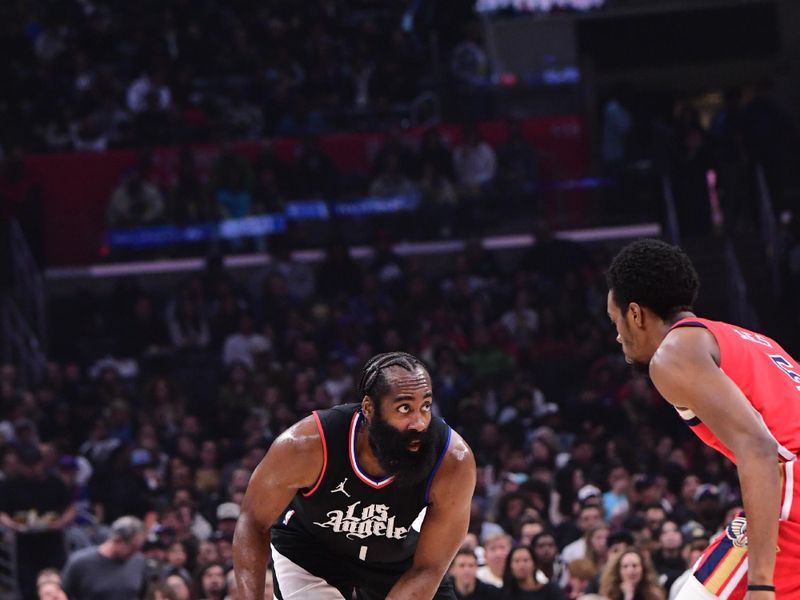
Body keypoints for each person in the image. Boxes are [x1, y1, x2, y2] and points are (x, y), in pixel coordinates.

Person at [605, 238, 800, 599]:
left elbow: (759, 447)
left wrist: (760, 584)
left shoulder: (672, 354)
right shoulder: (754, 339)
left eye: (615, 320)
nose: (618, 336)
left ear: (635, 314)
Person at [233, 351, 476, 599]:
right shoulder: (307, 445)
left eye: (425, 406)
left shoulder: (452, 460)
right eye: (404, 408)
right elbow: (253, 522)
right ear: (369, 408)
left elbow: (429, 567)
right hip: (311, 554)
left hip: (401, 565)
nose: (419, 422)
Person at [61, 515, 147, 600]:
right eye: (133, 548)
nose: (135, 553)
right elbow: (63, 594)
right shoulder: (80, 563)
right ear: (117, 540)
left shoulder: (139, 562)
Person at [598, 549, 665, 600]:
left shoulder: (654, 596)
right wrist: (628, 596)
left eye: (634, 566)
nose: (630, 571)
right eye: (625, 566)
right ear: (619, 571)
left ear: (643, 569)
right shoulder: (610, 595)